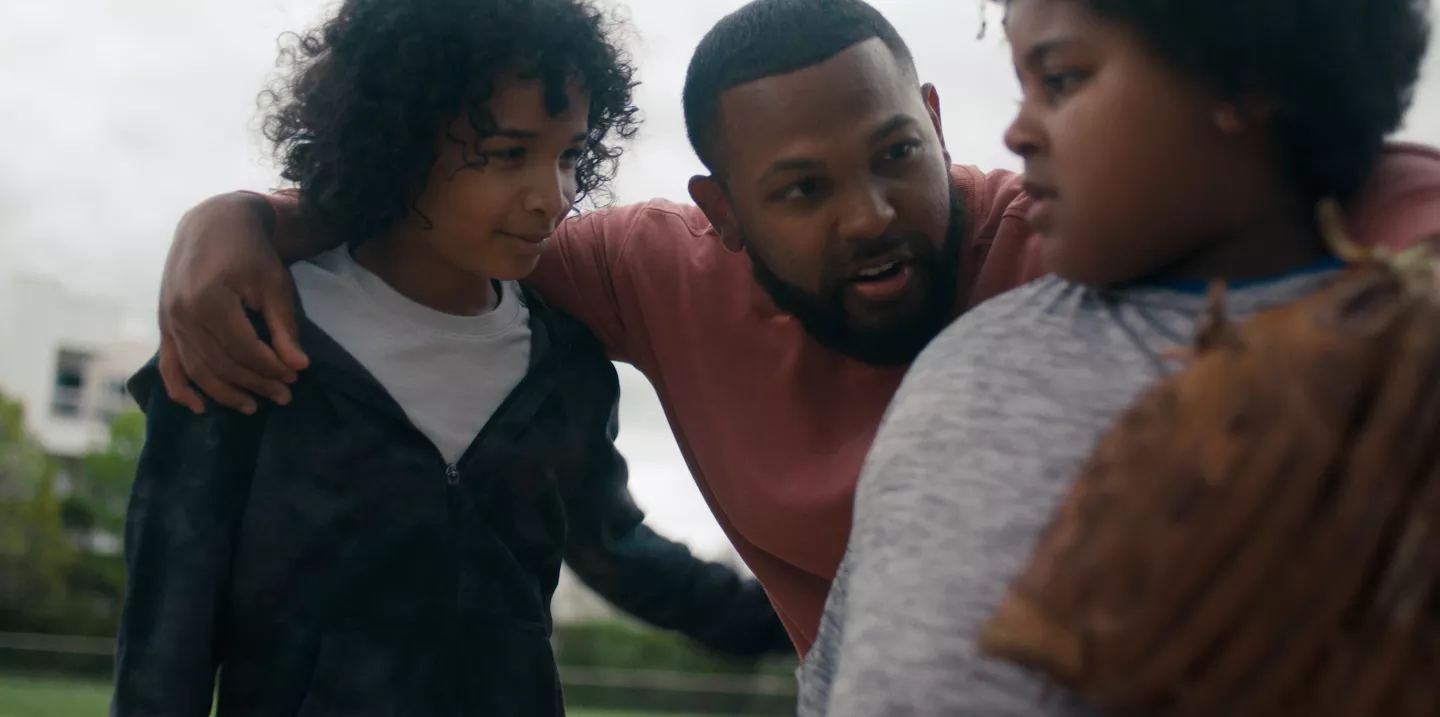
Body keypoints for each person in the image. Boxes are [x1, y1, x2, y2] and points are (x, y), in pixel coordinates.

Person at [148, 0, 1440, 658]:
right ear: (720, 212)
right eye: (803, 191)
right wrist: (240, 220)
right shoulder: (652, 273)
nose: (873, 216)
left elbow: (1353, 172)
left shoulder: (1080, 220)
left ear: (937, 120)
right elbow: (434, 202)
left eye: (897, 157)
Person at [110, 1, 784, 715]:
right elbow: (167, 627)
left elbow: (617, 551)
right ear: (396, 139)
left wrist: (815, 615)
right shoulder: (249, 335)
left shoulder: (567, 365)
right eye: (506, 155)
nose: (551, 197)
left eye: (570, 155)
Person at [799, 0, 1434, 713]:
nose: (1017, 131)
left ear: (1246, 79)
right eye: (1021, 88)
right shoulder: (977, 364)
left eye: (1063, 80)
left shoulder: (1404, 382)